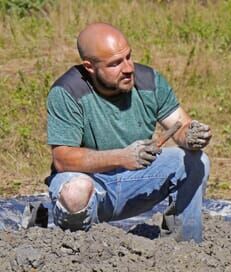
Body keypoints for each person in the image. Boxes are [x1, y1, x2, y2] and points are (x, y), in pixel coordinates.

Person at [46, 23, 211, 243]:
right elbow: (63, 159)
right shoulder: (68, 92)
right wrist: (121, 157)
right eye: (115, 63)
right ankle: (78, 250)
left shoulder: (149, 81)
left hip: (137, 181)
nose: (128, 68)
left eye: (128, 57)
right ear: (90, 67)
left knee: (195, 160)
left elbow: (180, 125)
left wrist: (191, 135)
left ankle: (186, 247)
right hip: (94, 187)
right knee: (75, 191)